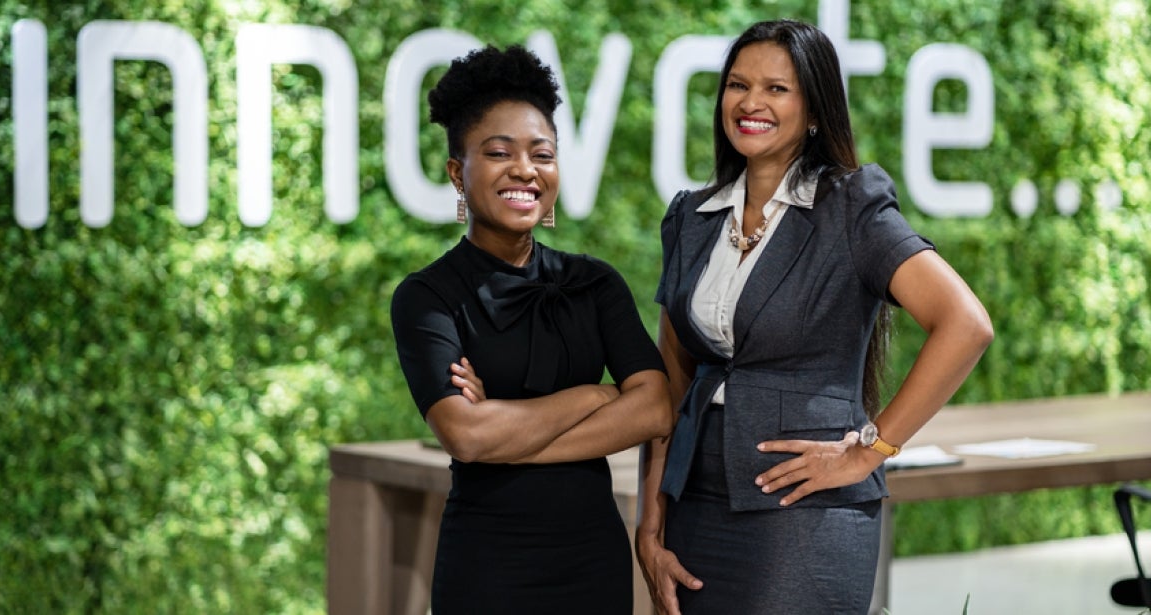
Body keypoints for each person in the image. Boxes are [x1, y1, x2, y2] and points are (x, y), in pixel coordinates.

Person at [635, 19, 994, 614]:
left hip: (803, 512)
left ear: (815, 110)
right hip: (694, 507)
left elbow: (965, 324)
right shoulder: (690, 218)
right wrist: (650, 526)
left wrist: (868, 450)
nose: (751, 103)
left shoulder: (852, 207)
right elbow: (673, 383)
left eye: (777, 89)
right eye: (737, 85)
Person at [390, 45, 673, 615]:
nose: (525, 170)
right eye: (499, 152)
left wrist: (505, 433)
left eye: (541, 154)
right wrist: (598, 395)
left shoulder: (593, 282)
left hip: (593, 559)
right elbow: (466, 437)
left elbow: (657, 409)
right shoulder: (428, 297)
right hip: (487, 566)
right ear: (457, 173)